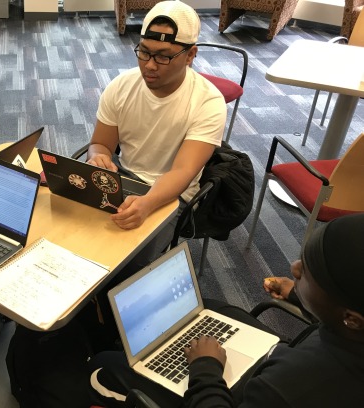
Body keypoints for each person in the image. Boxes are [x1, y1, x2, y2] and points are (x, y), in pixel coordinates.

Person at [89, 213, 364, 407]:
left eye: (309, 272)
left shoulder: (289, 389)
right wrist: (298, 293)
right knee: (209, 308)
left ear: (351, 319)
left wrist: (205, 368)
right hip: (283, 355)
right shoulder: (351, 329)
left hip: (239, 390)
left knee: (104, 365)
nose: (294, 267)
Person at [86, 0, 226, 266]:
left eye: (163, 56)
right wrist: (98, 156)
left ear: (191, 55)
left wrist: (148, 203)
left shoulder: (208, 102)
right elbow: (100, 144)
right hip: (125, 177)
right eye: (144, 52)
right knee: (77, 234)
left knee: (127, 263)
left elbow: (182, 173)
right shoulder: (121, 86)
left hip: (173, 194)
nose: (150, 65)